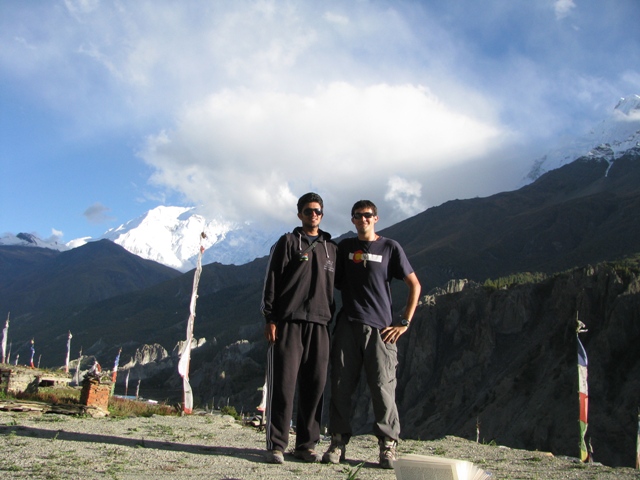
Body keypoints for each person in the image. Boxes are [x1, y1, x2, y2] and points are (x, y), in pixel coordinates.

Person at [323, 199, 421, 469]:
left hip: (381, 329)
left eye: (367, 215)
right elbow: (330, 279)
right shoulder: (345, 248)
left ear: (376, 218)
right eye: (357, 215)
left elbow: (414, 284)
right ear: (352, 220)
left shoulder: (390, 247)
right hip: (348, 325)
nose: (363, 219)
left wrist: (404, 321)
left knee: (382, 387)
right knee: (341, 385)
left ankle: (388, 445)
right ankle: (337, 442)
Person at [260, 192, 338, 464]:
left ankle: (306, 445)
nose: (313, 214)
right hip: (288, 323)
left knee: (315, 386)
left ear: (322, 214)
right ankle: (276, 445)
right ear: (299, 214)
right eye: (307, 211)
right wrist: (270, 318)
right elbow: (271, 279)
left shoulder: (332, 248)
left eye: (317, 211)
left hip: (320, 324)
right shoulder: (288, 242)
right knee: (283, 385)